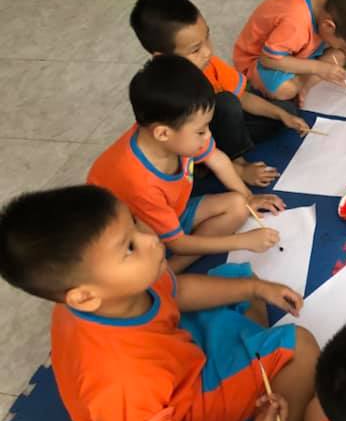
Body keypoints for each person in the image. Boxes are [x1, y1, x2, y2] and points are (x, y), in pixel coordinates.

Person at [0, 185, 321, 421]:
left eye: (135, 222)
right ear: (84, 297)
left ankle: (252, 363)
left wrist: (255, 287)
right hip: (177, 415)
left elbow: (176, 291)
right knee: (299, 348)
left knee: (239, 281)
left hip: (177, 357)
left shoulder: (111, 291)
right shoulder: (119, 375)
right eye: (129, 247)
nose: (151, 239)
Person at [88, 56, 285, 273]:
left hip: (169, 212)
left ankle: (173, 266)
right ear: (163, 133)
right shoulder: (140, 181)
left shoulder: (175, 135)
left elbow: (216, 158)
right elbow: (178, 243)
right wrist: (242, 241)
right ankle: (167, 272)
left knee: (239, 206)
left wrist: (248, 197)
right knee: (150, 253)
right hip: (131, 237)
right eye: (201, 131)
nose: (208, 135)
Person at [131, 0, 310, 188]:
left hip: (218, 129)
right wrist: (240, 169)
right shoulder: (166, 92)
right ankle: (234, 162)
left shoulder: (209, 64)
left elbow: (243, 97)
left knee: (285, 110)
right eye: (195, 49)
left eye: (207, 37)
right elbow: (178, 142)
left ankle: (229, 151)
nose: (207, 51)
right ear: (163, 57)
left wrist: (281, 115)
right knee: (226, 103)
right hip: (193, 143)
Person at [233, 0, 346, 104]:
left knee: (340, 55)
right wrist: (319, 68)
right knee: (286, 90)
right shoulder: (295, 24)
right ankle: (302, 83)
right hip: (259, 59)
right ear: (329, 26)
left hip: (297, 49)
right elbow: (268, 60)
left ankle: (305, 81)